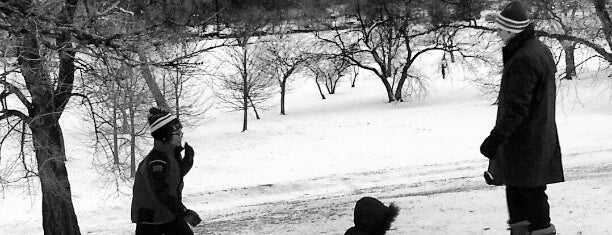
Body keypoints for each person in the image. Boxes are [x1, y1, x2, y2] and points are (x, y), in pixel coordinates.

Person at [480, 1, 564, 235]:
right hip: (534, 141)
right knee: (521, 196)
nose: (497, 33)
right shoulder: (537, 49)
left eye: (500, 29)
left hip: (525, 146)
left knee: (529, 201)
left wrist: (494, 140)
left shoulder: (524, 59)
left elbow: (517, 109)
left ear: (512, 29)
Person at [131, 107, 201, 235]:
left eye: (181, 133)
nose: (181, 136)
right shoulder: (157, 161)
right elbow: (161, 191)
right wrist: (184, 212)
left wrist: (187, 163)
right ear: (165, 137)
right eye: (177, 134)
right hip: (152, 221)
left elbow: (171, 178)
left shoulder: (168, 155)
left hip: (168, 215)